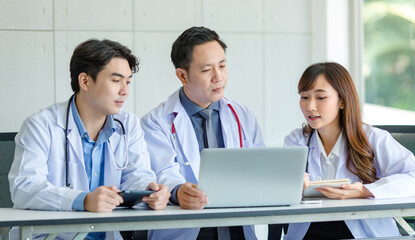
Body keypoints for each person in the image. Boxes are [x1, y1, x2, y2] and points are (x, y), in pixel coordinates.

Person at [8, 39, 170, 239]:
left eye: (128, 82)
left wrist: (150, 190)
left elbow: (137, 175)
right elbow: (24, 187)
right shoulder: (41, 125)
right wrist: (82, 200)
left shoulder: (129, 125)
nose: (125, 91)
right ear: (84, 81)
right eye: (116, 80)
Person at [141, 26, 264, 240]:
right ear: (182, 75)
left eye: (223, 66)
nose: (218, 77)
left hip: (238, 229)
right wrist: (179, 191)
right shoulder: (155, 122)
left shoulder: (243, 115)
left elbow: (260, 166)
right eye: (207, 70)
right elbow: (162, 173)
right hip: (189, 230)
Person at [283, 62, 415, 239]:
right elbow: (280, 186)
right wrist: (294, 183)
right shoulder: (296, 140)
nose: (310, 107)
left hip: (364, 232)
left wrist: (367, 191)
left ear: (342, 101)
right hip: (310, 232)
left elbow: (412, 176)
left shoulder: (374, 138)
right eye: (304, 97)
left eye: (321, 98)